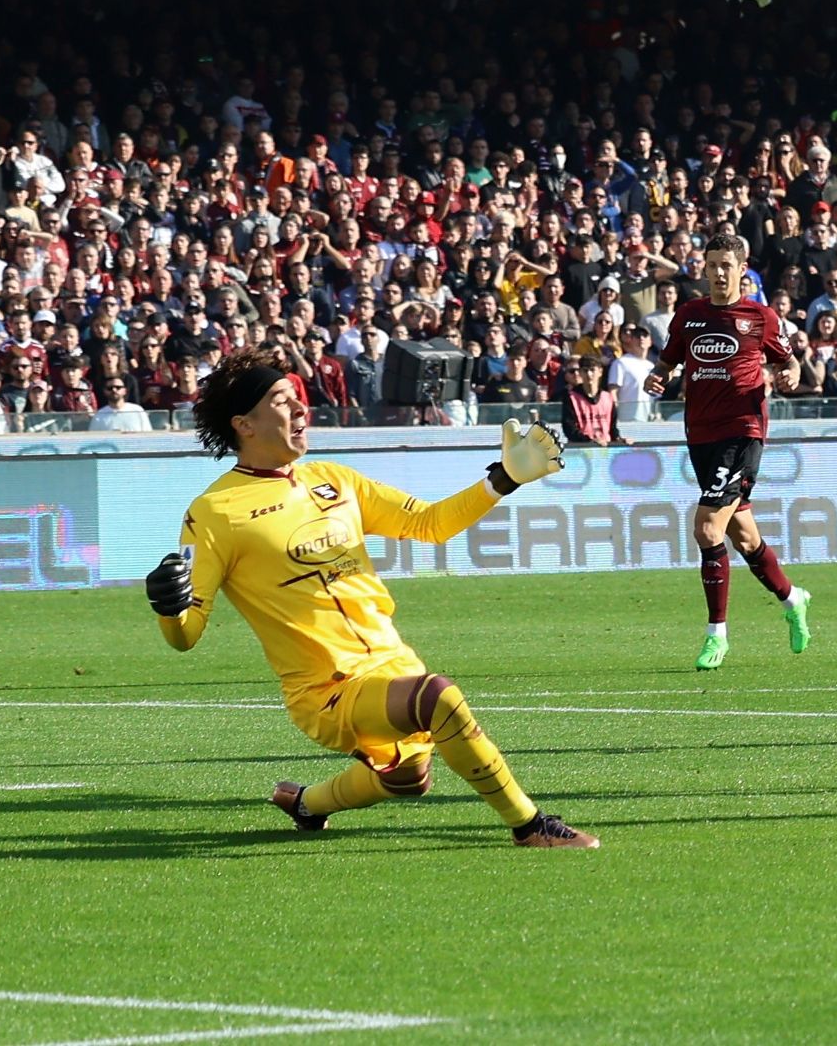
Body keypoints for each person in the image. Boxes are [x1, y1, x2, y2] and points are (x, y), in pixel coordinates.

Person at [148, 348, 596, 848]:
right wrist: (169, 608)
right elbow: (185, 634)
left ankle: (304, 803)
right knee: (437, 697)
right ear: (244, 425)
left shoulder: (334, 480)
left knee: (407, 778)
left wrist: (503, 479)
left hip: (392, 662)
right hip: (325, 690)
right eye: (282, 401)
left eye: (298, 398)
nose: (300, 409)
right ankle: (530, 826)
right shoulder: (214, 511)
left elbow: (430, 523)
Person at [643, 229, 810, 670]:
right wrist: (656, 377)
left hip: (743, 432)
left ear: (742, 269)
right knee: (745, 536)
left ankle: (717, 633)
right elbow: (668, 361)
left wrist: (791, 373)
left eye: (726, 266)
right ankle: (793, 599)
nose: (718, 273)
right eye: (711, 265)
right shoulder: (690, 315)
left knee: (706, 529)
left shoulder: (760, 317)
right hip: (701, 436)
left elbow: (787, 360)